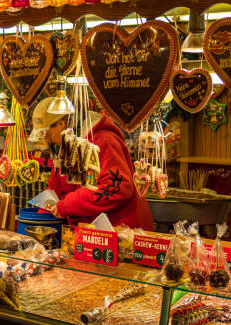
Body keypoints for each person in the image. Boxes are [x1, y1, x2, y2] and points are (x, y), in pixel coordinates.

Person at [29, 97, 154, 231]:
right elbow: (54, 190)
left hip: (122, 231)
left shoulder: (104, 140)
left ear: (62, 124)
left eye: (46, 133)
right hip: (90, 235)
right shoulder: (64, 148)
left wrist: (67, 205)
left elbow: (116, 188)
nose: (46, 139)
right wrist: (41, 224)